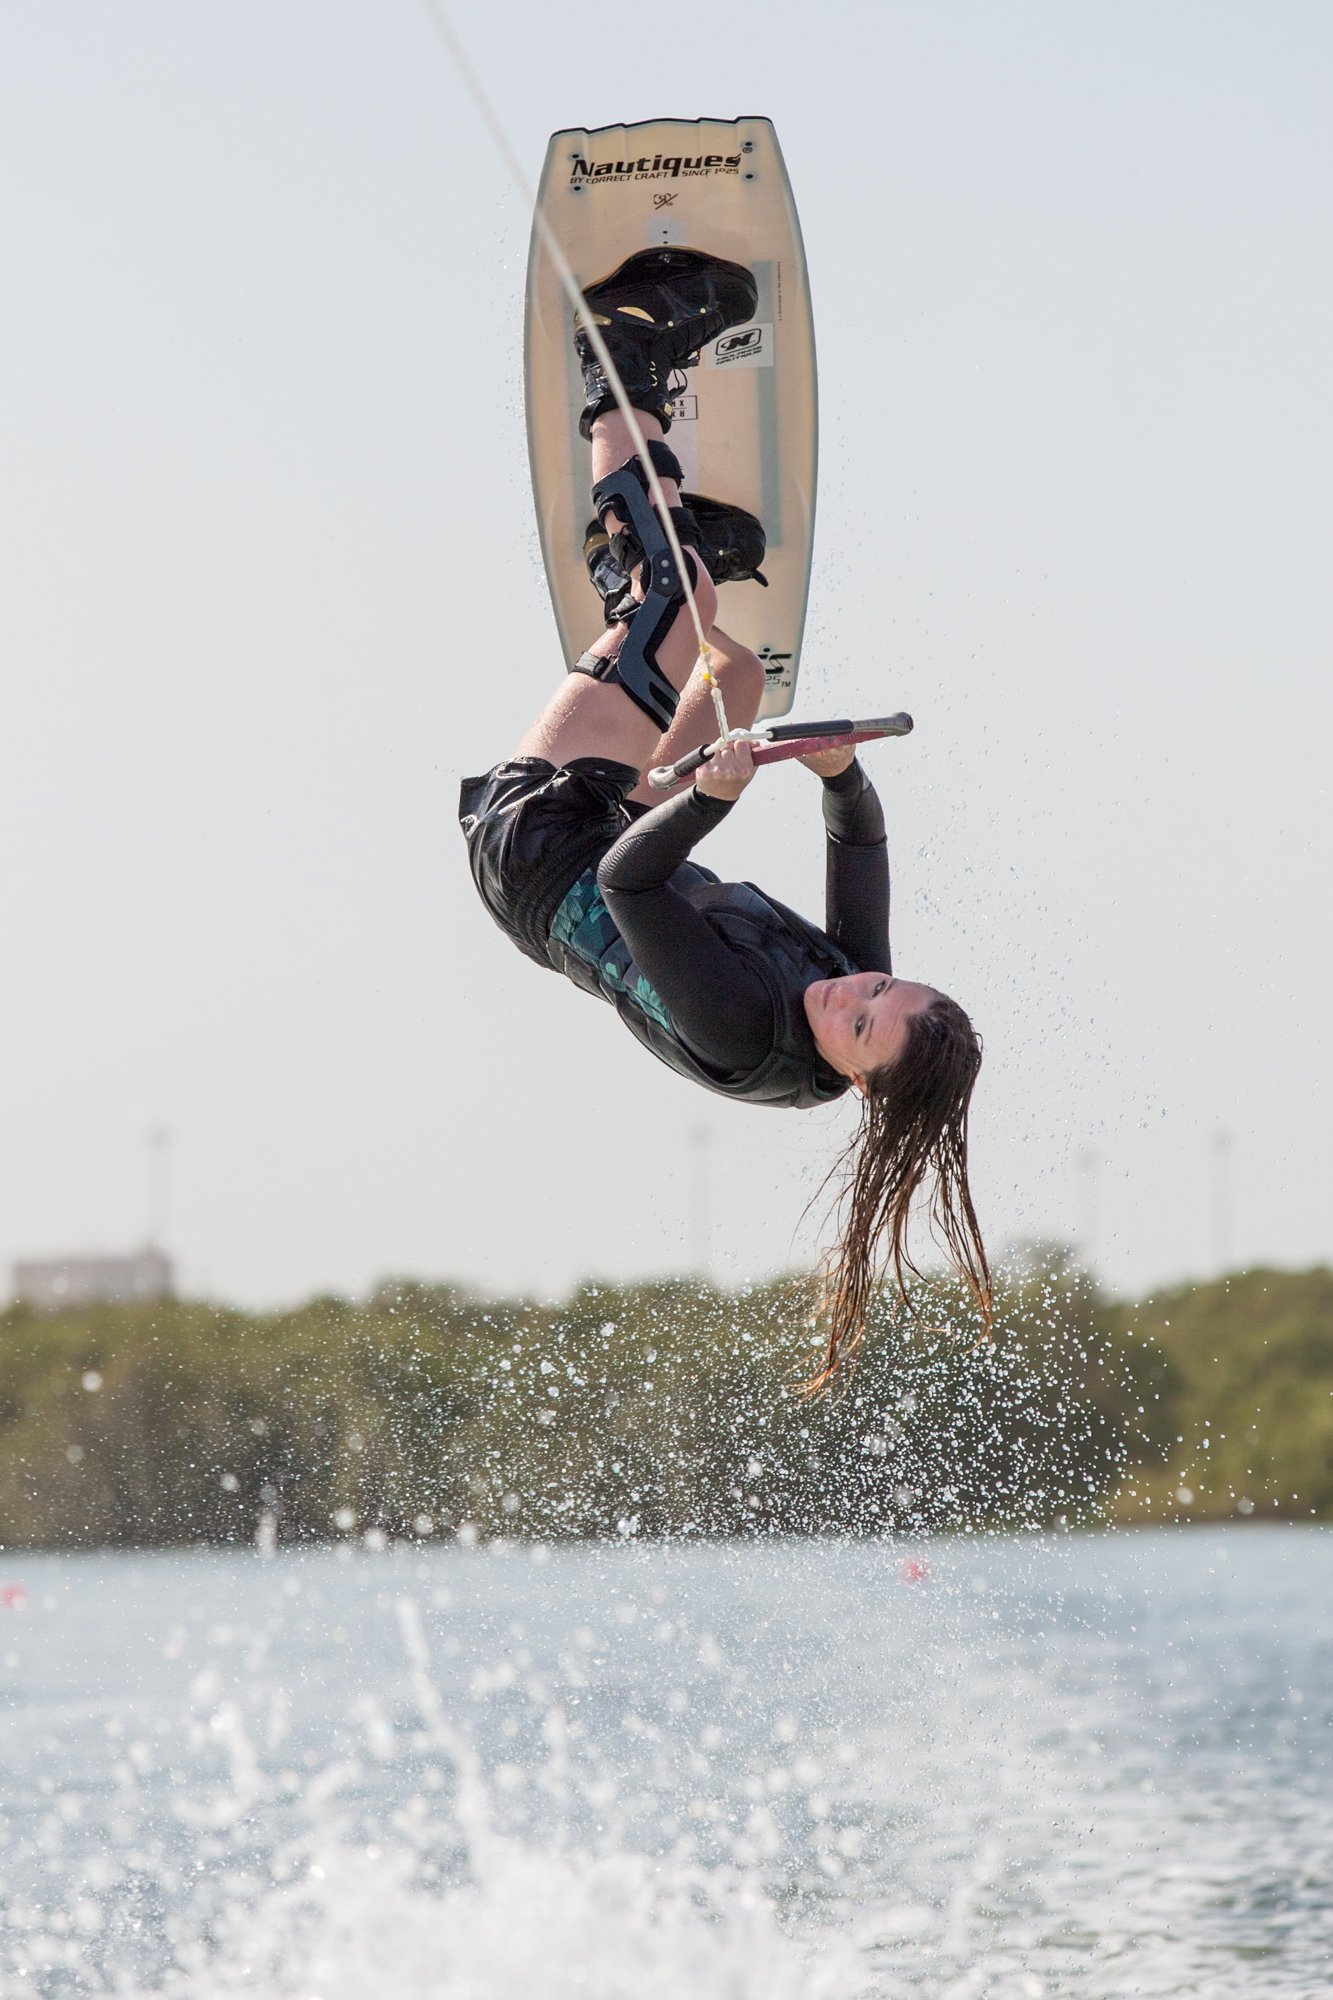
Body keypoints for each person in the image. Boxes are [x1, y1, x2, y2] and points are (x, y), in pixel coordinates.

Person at [460, 247, 989, 1385]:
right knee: (734, 672)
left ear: (851, 1075)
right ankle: (663, 560)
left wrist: (710, 794)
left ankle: (622, 353)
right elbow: (860, 846)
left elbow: (627, 888)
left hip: (548, 851)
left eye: (860, 1017)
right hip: (625, 829)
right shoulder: (847, 994)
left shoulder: (749, 1033)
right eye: (884, 986)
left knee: (679, 605)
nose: (856, 986)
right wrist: (839, 772)